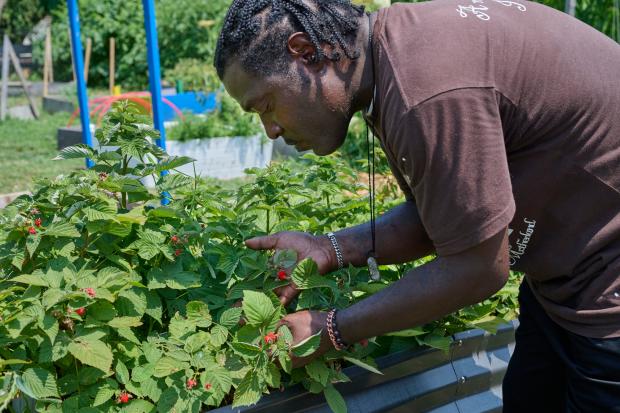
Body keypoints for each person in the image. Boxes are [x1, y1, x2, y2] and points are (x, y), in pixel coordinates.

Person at [214, 0, 620, 411]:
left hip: (606, 285)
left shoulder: (425, 91)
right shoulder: (394, 55)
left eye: (265, 105)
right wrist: (329, 249)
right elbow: (453, 213)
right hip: (568, 274)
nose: (271, 131)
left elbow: (478, 268)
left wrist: (332, 328)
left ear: (306, 53)